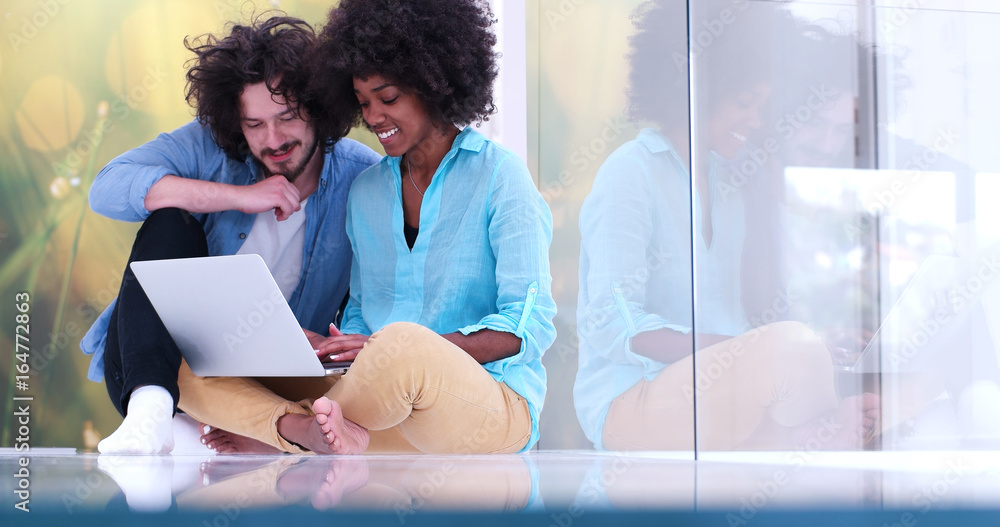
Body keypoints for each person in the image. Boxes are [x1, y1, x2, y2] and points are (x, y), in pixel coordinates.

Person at [189, 0, 555, 455]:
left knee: (402, 342)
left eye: (388, 98)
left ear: (433, 84)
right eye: (363, 103)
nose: (374, 117)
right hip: (382, 411)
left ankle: (277, 431)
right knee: (193, 357)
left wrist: (397, 352)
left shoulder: (500, 176)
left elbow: (527, 326)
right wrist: (333, 346)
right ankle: (309, 431)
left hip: (487, 406)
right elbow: (362, 313)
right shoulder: (365, 193)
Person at [574, 0, 879, 452]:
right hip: (631, 405)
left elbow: (751, 328)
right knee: (796, 351)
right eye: (744, 104)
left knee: (890, 393)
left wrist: (807, 346)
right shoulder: (630, 172)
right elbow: (615, 327)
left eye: (761, 106)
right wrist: (750, 348)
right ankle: (815, 437)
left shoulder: (730, 183)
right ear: (696, 91)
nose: (754, 121)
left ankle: (814, 435)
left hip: (718, 400)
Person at [79, 14, 381, 455]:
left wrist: (327, 342)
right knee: (168, 220)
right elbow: (106, 188)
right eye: (254, 124)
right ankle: (153, 410)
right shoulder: (210, 148)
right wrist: (239, 196)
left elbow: (377, 296)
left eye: (287, 117)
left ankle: (241, 430)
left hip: (272, 380)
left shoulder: (365, 180)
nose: (272, 138)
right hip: (162, 366)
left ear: (320, 109)